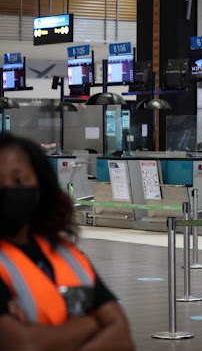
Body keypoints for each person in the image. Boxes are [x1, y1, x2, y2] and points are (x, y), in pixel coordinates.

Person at [0, 133, 133, 349]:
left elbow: (122, 336)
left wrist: (44, 337)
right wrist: (94, 323)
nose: (7, 190)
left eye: (19, 180)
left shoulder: (67, 255)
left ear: (41, 186)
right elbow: (24, 345)